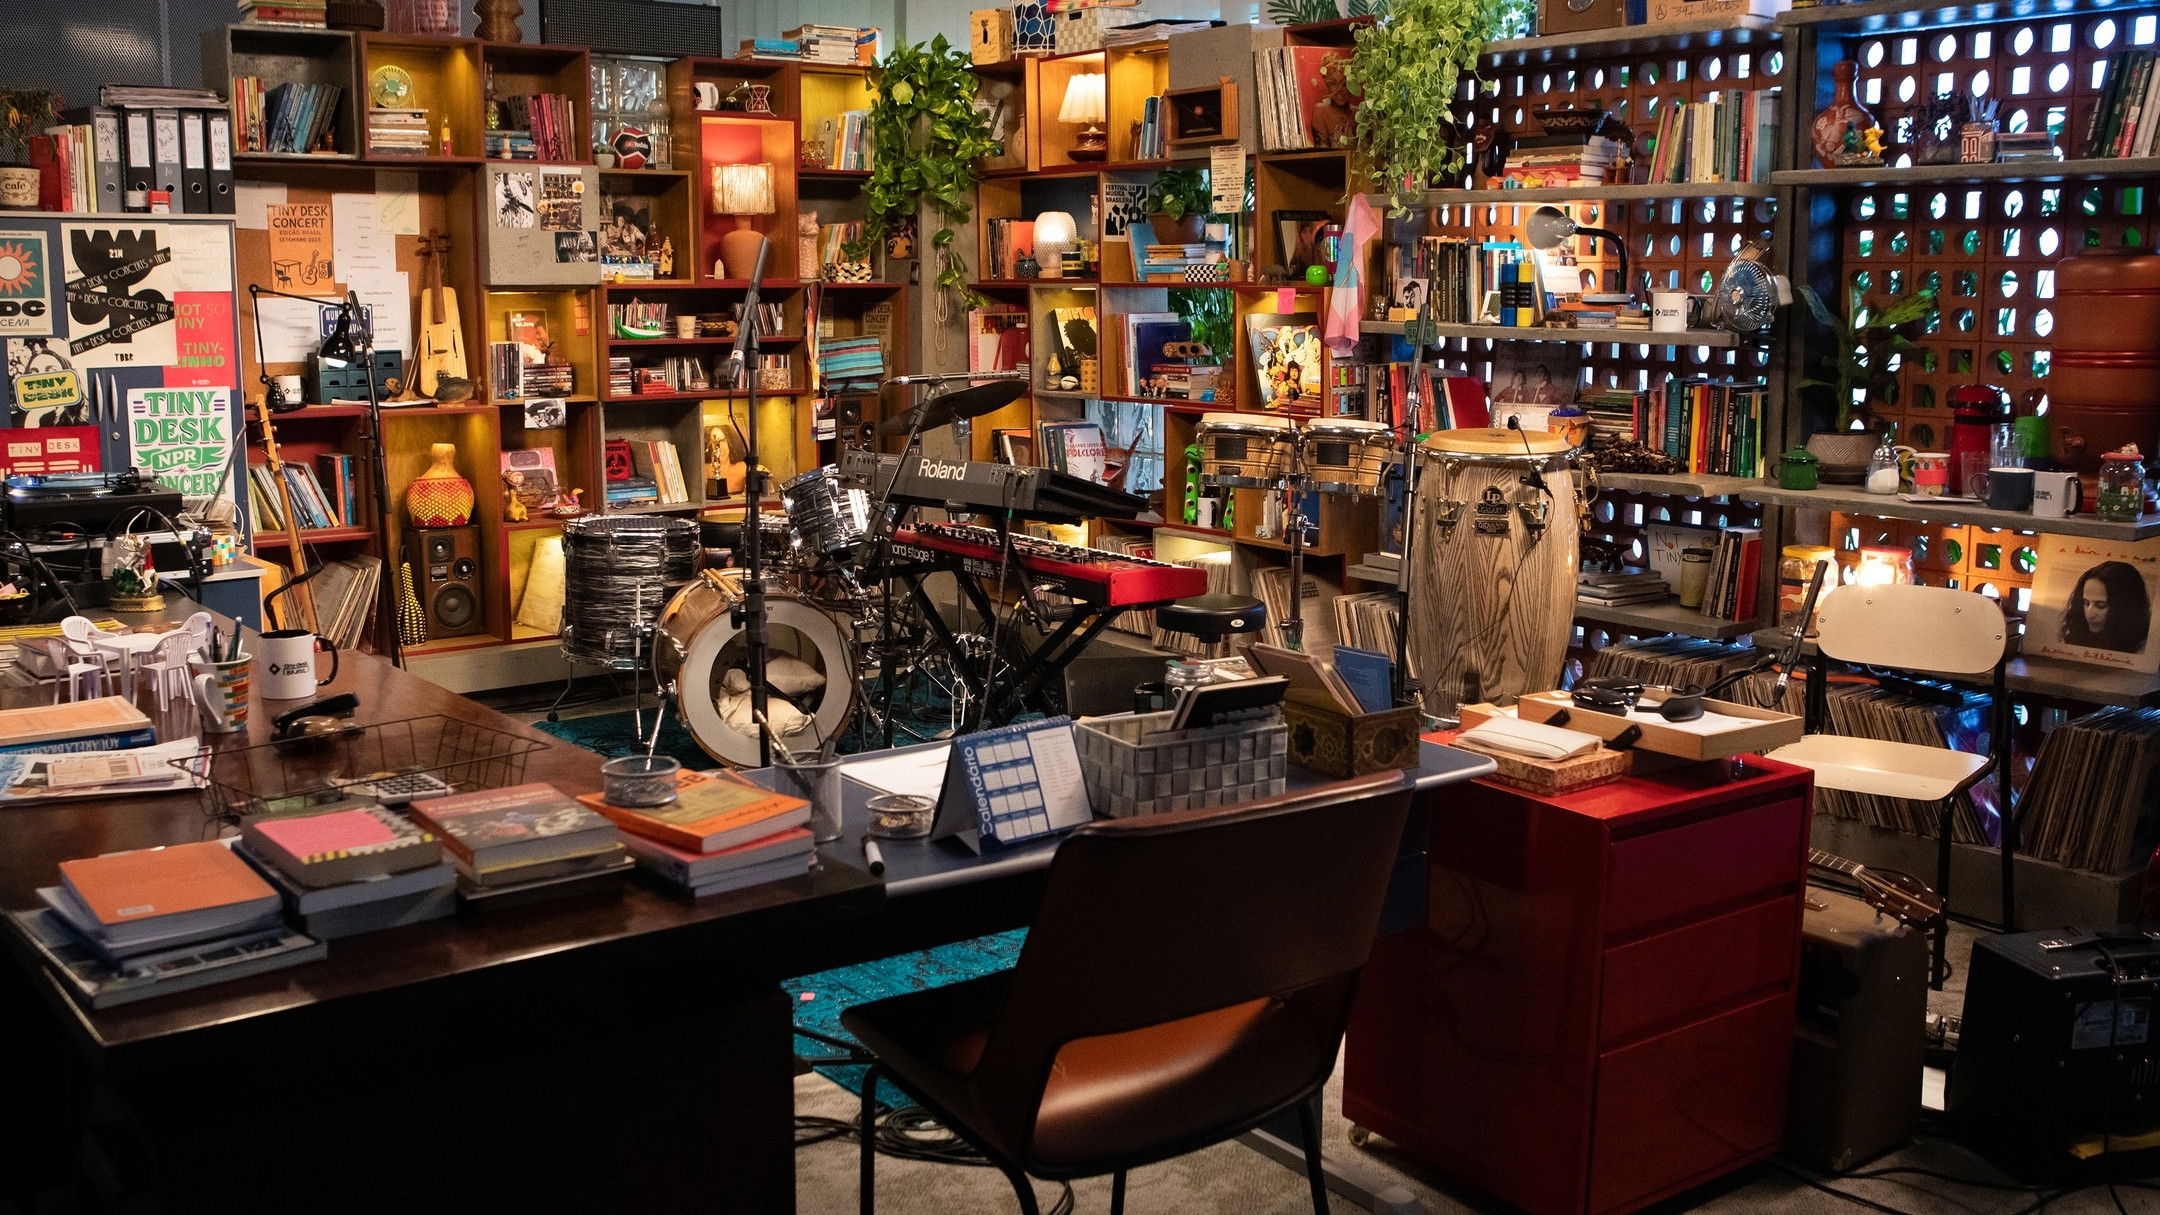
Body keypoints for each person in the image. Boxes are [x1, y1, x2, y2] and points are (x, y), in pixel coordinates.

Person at [2062, 560, 2151, 652]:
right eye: (2086, 603)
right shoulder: (2075, 638)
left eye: (2101, 606)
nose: (2090, 614)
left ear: (2125, 607)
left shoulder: (2144, 649)